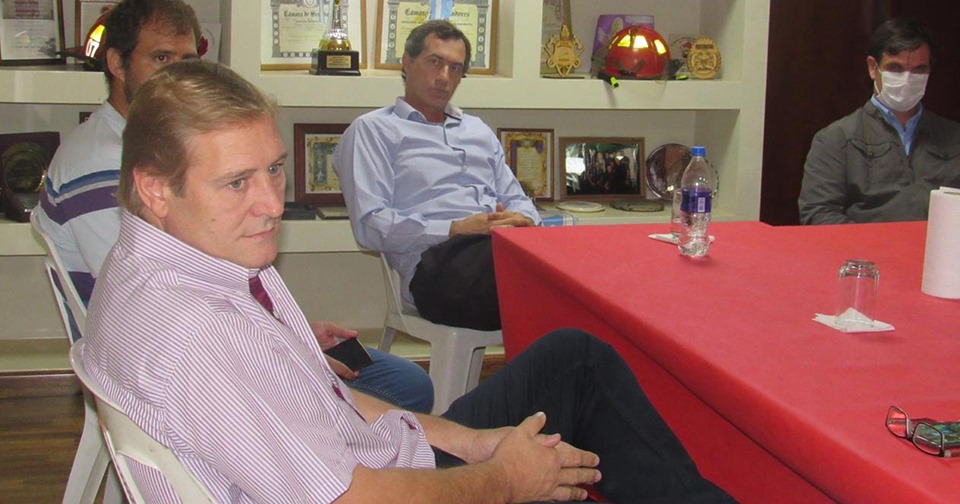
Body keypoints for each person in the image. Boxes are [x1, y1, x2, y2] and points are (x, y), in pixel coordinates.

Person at [81, 59, 733, 503]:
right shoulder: (198, 332)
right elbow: (350, 497)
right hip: (374, 488)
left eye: (274, 170)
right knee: (579, 371)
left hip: (373, 459)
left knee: (572, 360)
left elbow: (325, 401)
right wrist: (504, 480)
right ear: (155, 189)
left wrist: (471, 441)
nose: (272, 204)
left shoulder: (163, 263)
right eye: (236, 183)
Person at [32, 0, 433, 412]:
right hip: (186, 374)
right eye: (161, 59)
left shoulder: (149, 144)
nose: (178, 77)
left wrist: (290, 334)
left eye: (188, 61)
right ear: (117, 63)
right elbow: (157, 309)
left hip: (227, 341)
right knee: (409, 391)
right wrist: (289, 354)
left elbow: (211, 282)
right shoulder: (101, 165)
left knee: (409, 380)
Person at [334, 20, 539, 331]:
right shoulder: (373, 130)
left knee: (577, 264)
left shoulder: (478, 130)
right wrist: (455, 228)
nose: (444, 77)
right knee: (554, 289)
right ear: (407, 62)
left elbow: (516, 198)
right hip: (437, 264)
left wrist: (522, 221)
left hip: (498, 249)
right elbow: (370, 225)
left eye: (455, 68)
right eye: (435, 62)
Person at [798, 17, 960, 225]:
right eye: (895, 68)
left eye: (919, 69)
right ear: (873, 68)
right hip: (866, 244)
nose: (907, 79)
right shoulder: (836, 139)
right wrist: (871, 242)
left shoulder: (954, 138)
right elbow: (818, 213)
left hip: (941, 244)